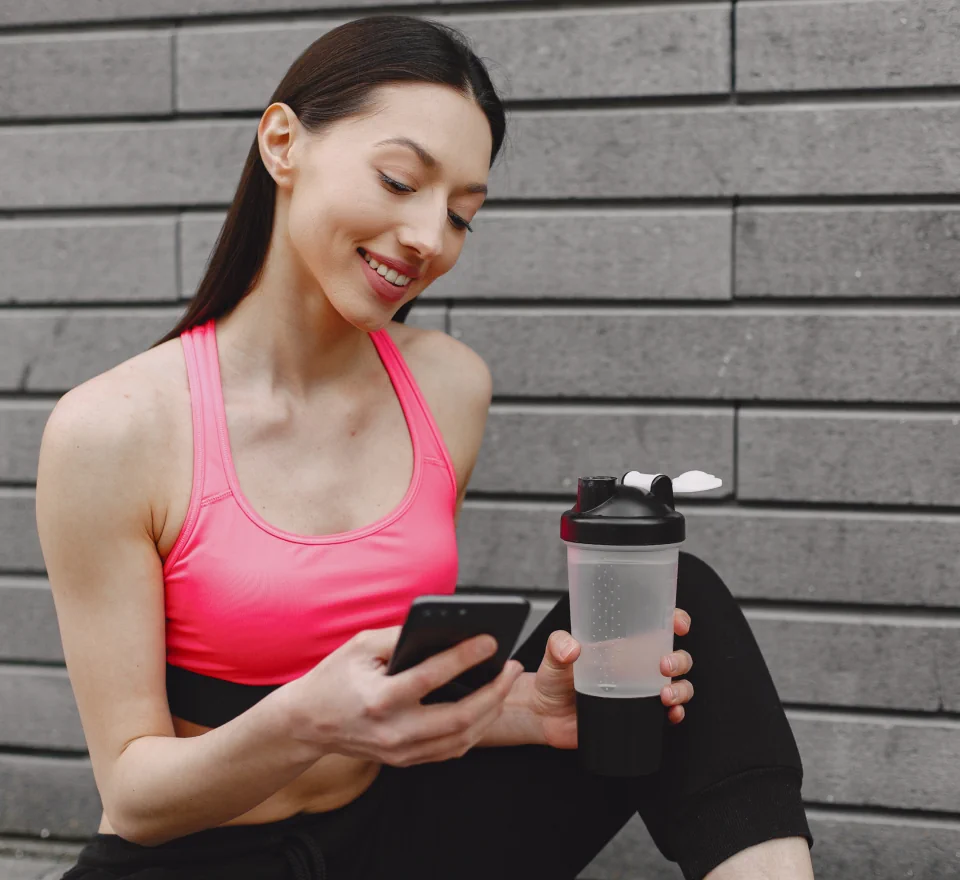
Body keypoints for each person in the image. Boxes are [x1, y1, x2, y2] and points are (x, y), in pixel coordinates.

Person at [36, 15, 814, 880]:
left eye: (462, 215)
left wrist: (514, 709)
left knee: (682, 604)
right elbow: (134, 794)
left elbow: (401, 699)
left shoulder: (449, 387)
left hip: (389, 830)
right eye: (400, 180)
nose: (429, 238)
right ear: (283, 143)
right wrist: (308, 721)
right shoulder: (114, 429)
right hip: (195, 860)